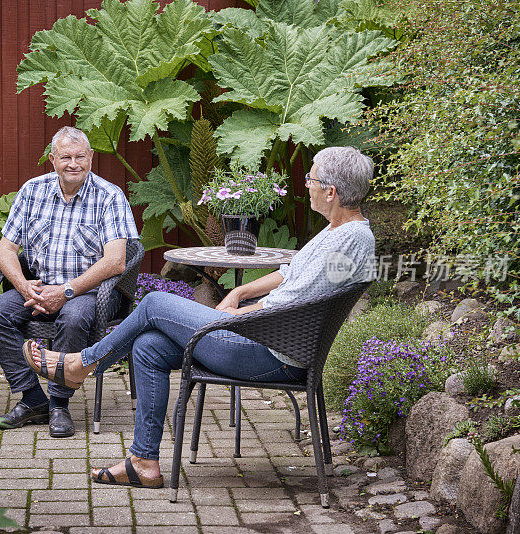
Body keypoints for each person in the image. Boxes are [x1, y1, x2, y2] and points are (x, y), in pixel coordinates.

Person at [24, 146, 375, 485]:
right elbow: (290, 271)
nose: (307, 186)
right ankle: (143, 462)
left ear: (330, 192)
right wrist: (238, 292)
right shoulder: (336, 231)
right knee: (149, 346)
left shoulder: (348, 240)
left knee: (154, 304)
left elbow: (288, 305)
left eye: (311, 181)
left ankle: (81, 364)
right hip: (260, 339)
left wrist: (232, 318)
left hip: (268, 352)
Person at [0, 126, 138, 438]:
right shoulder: (32, 191)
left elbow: (116, 260)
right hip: (39, 287)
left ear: (91, 157)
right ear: (52, 159)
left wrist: (66, 291)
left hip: (92, 292)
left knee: (74, 315)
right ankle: (33, 399)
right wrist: (24, 286)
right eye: (65, 157)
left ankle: (59, 404)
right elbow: (4, 250)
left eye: (80, 156)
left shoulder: (109, 196)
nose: (73, 163)